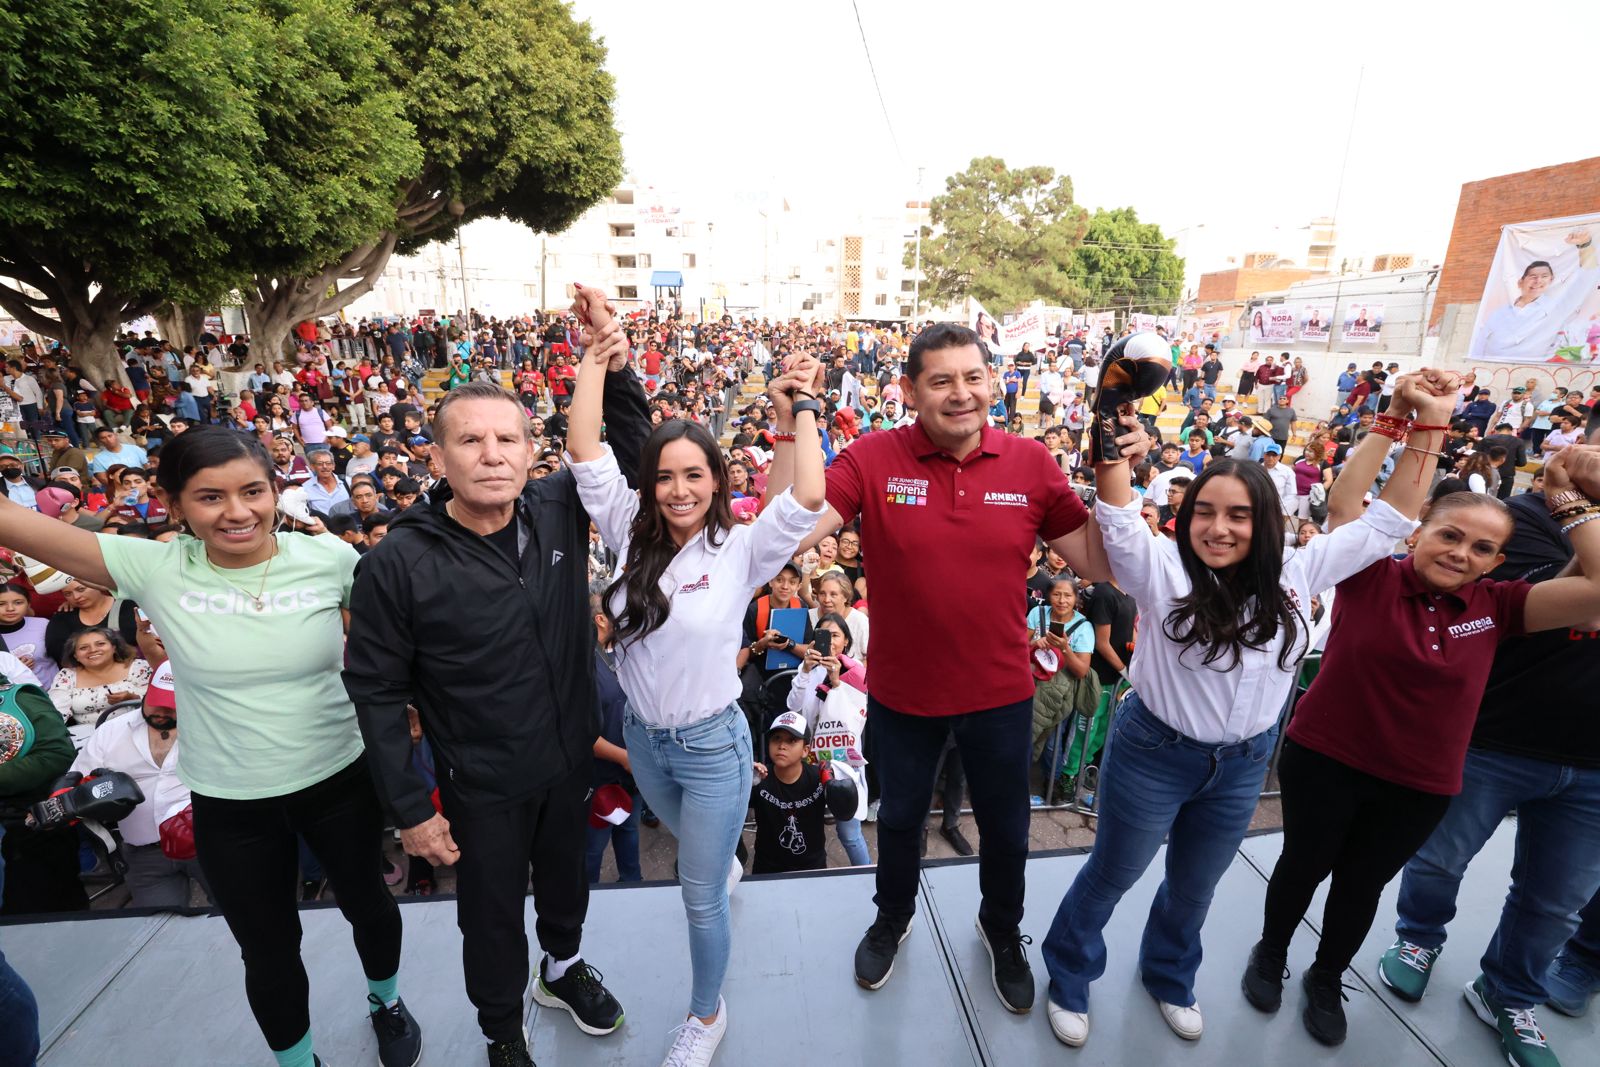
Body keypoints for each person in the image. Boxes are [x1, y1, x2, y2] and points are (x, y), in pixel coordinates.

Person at [1039, 372, 1458, 1048]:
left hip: (1242, 764)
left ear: (1266, 520)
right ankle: (1069, 971)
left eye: (1239, 514)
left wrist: (1422, 421)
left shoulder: (1299, 573)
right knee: (1114, 872)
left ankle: (1170, 975)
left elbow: (1391, 521)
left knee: (1196, 885)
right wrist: (1111, 447)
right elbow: (1116, 518)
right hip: (1155, 753)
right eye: (1206, 511)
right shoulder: (1160, 572)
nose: (1219, 527)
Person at [0, 427, 421, 1067]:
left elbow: (393, 651)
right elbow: (17, 524)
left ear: (276, 490)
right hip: (230, 802)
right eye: (210, 497)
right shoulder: (153, 566)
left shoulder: (332, 559)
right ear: (175, 506)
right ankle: (298, 1061)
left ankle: (385, 1001)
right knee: (269, 948)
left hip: (339, 780)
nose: (237, 512)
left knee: (369, 905)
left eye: (254, 491)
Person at [775, 322, 1127, 1016]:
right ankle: (892, 914)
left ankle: (1000, 929)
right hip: (904, 696)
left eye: (973, 376)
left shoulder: (1029, 461)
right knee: (901, 817)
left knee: (1007, 828)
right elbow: (794, 525)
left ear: (992, 382)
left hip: (1000, 693)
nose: (961, 393)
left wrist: (1115, 462)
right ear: (909, 390)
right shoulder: (875, 457)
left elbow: (1099, 562)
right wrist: (796, 425)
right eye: (941, 380)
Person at [343, 297, 647, 1067]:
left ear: (529, 450)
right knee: (489, 915)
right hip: (480, 782)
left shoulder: (558, 504)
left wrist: (614, 362)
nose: (492, 454)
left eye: (507, 438)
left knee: (571, 888)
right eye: (471, 440)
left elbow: (631, 449)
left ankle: (565, 969)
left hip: (569, 758)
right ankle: (500, 1027)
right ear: (437, 456)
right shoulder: (396, 564)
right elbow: (376, 692)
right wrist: (411, 811)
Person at [1246, 446, 1600, 1050]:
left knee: (1362, 885)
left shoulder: (1501, 606)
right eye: (1450, 535)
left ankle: (1327, 977)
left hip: (1418, 783)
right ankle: (1270, 951)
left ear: (1497, 563)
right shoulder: (1369, 575)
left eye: (1482, 549)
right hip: (1326, 759)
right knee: (1303, 865)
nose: (1462, 553)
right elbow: (1342, 504)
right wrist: (1402, 430)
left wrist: (1565, 494)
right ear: (1418, 533)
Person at [568, 318, 825, 1066]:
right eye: (664, 476)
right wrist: (593, 353)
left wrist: (801, 406)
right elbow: (585, 443)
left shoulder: (740, 549)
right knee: (696, 855)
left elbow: (805, 490)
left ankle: (705, 1015)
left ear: (716, 480)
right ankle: (722, 863)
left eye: (694, 475)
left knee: (698, 892)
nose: (678, 490)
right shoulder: (624, 526)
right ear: (647, 483)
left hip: (714, 746)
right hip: (646, 743)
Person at [1367, 452, 1600, 1067]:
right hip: (1499, 735)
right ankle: (1417, 940)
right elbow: (1577, 597)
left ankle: (1508, 994)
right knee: (1441, 859)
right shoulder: (1520, 521)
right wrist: (1570, 503)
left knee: (1556, 900)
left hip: (1595, 762)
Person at [785, 612, 871, 866]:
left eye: (835, 635)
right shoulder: (808, 670)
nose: (830, 641)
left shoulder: (855, 673)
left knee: (849, 832)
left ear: (845, 642)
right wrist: (805, 672)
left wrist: (836, 684)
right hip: (811, 759)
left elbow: (854, 723)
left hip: (842, 761)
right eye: (823, 635)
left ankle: (866, 876)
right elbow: (793, 706)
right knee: (809, 825)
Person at [586, 583, 640, 885]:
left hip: (631, 776)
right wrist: (625, 757)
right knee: (593, 849)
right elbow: (584, 734)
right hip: (600, 779)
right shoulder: (583, 664)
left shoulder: (624, 651)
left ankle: (633, 888)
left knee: (629, 836)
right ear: (601, 619)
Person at [1479, 230, 1600, 362]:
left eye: (1544, 277)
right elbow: (1480, 342)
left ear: (1551, 281)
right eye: (1533, 276)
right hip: (1491, 368)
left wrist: (1585, 246)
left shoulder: (1556, 309)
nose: (1538, 281)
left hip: (1530, 368)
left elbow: (1586, 279)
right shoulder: (1500, 312)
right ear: (1520, 282)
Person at [749, 711, 829, 874]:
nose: (782, 746)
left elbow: (844, 814)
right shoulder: (759, 778)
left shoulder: (818, 778)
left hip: (812, 867)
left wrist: (839, 787)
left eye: (791, 740)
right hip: (767, 867)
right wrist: (741, 778)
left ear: (805, 750)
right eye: (776, 738)